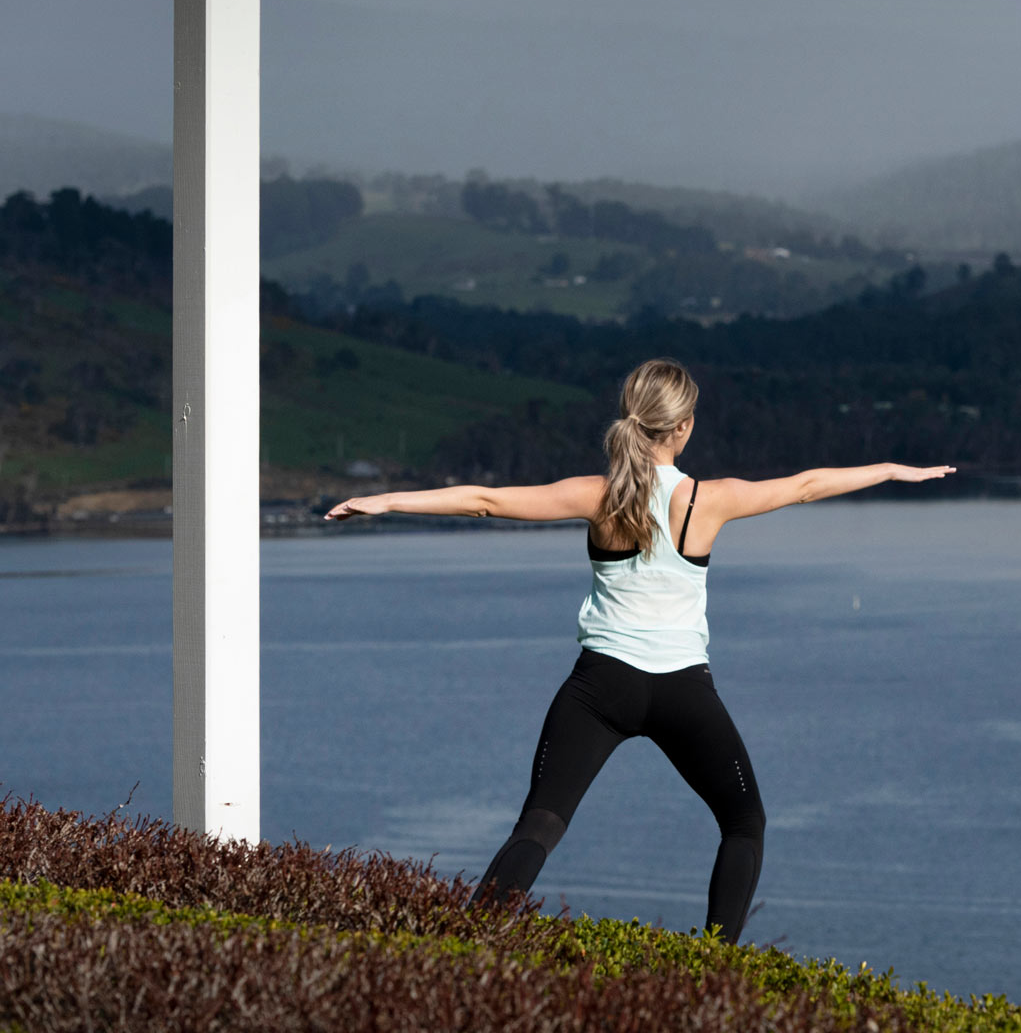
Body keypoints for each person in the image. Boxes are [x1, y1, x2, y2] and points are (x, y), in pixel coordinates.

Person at [324, 357, 953, 940]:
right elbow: (809, 485)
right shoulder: (710, 500)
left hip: (601, 689)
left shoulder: (597, 495)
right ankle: (714, 967)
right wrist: (894, 469)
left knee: (540, 824)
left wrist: (381, 501)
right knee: (744, 824)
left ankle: (460, 950)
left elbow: (484, 502)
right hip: (683, 691)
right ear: (681, 428)